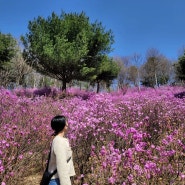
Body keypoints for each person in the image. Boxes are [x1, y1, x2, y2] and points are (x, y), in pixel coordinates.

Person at [48, 115, 75, 185]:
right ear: (62, 125)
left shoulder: (59, 139)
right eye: (66, 122)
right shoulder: (59, 141)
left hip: (58, 179)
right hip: (57, 180)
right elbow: (61, 165)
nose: (67, 124)